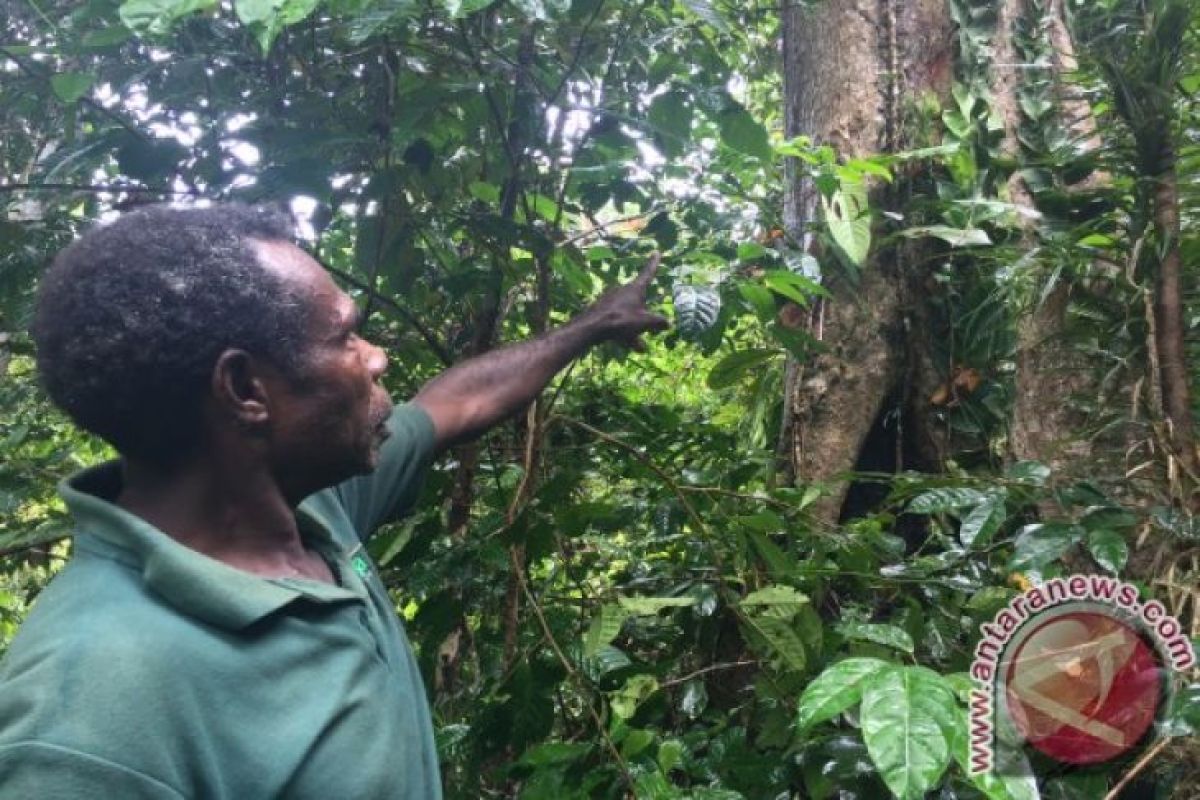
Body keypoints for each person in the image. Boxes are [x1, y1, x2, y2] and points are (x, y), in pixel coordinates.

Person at [0, 204, 667, 798]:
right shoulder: (84, 720)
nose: (375, 358)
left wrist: (592, 326)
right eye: (345, 337)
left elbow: (455, 404)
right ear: (244, 389)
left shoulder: (312, 509)